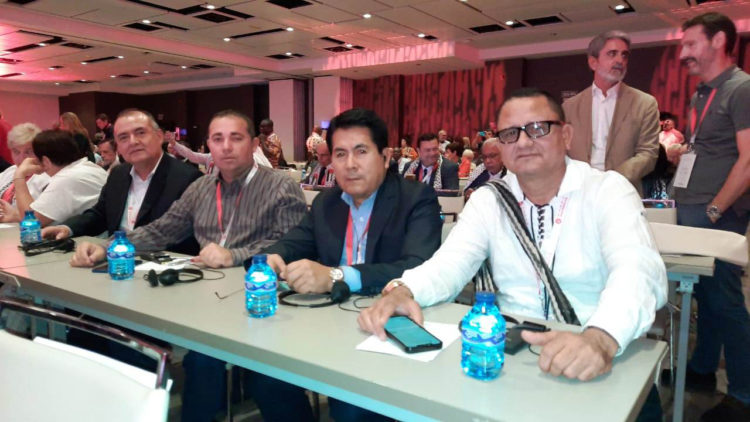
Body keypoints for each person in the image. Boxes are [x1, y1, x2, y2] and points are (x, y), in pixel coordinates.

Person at [359, 88, 666, 399]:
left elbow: (637, 271)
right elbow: (450, 264)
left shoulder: (607, 191)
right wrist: (404, 290)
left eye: (538, 128)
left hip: (601, 358)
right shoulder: (489, 201)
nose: (523, 142)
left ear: (566, 136)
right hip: (511, 366)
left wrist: (601, 337)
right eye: (510, 133)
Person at [69, 110, 306, 422]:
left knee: (207, 361)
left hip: (260, 297)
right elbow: (163, 229)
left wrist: (235, 255)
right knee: (127, 333)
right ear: (208, 145)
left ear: (253, 144)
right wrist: (109, 246)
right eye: (217, 139)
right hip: (206, 299)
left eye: (236, 138)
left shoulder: (280, 186)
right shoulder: (201, 187)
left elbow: (292, 243)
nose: (226, 147)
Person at [247, 107, 443, 422]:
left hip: (387, 322)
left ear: (385, 156)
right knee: (265, 377)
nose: (350, 164)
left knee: (352, 407)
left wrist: (336, 275)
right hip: (329, 325)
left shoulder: (416, 198)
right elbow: (294, 241)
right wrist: (272, 257)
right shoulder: (327, 202)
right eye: (340, 154)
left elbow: (417, 266)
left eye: (361, 151)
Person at [670, 12, 750, 422]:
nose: (683, 53)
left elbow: (748, 160)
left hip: (717, 215)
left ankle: (743, 393)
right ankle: (702, 370)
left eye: (691, 44)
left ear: (718, 41)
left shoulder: (741, 89)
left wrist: (716, 210)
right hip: (693, 209)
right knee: (705, 298)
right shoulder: (702, 93)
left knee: (726, 302)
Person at [42, 109, 202, 255]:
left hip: (162, 263)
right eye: (123, 137)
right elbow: (100, 215)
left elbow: (173, 233)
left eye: (140, 133)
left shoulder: (187, 178)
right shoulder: (118, 174)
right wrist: (67, 228)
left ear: (159, 136)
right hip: (115, 259)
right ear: (118, 147)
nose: (133, 141)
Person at [563, 30, 660, 195]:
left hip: (623, 191)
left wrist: (612, 179)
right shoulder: (569, 107)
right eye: (612, 54)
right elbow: (562, 153)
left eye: (624, 55)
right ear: (593, 62)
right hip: (579, 192)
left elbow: (648, 153)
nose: (620, 60)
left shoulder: (644, 103)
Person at [0, 129, 107, 226]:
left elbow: (31, 221)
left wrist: (19, 176)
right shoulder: (87, 168)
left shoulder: (67, 178)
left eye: (29, 153)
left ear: (45, 161)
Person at [0, 123, 49, 208]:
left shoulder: (46, 179)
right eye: (16, 152)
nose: (21, 158)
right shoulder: (10, 171)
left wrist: (14, 214)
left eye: (28, 152)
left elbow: (35, 214)